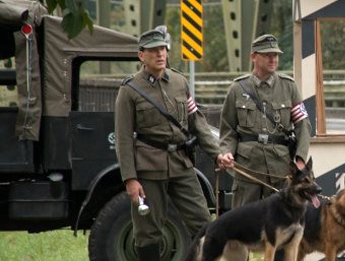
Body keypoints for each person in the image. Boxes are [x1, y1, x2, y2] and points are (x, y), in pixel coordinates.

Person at [114, 26, 220, 261]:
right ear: (142, 55)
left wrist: (218, 154)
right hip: (149, 168)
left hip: (181, 165)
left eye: (163, 49)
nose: (160, 54)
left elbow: (197, 123)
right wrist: (130, 179)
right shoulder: (130, 90)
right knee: (148, 232)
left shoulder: (180, 82)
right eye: (153, 50)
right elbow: (122, 138)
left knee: (204, 223)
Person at [216, 34, 311, 209]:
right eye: (267, 55)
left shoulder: (289, 87)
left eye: (275, 55)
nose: (272, 59)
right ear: (253, 56)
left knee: (282, 223)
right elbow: (228, 130)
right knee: (243, 224)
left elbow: (303, 125)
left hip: (280, 169)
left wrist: (300, 160)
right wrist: (226, 152)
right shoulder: (237, 89)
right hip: (247, 170)